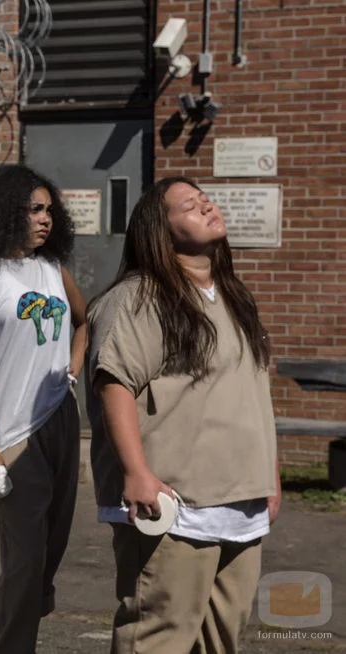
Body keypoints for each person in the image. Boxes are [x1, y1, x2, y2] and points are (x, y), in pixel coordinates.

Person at [86, 177, 280, 653]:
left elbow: (254, 395)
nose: (207, 206)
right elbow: (115, 383)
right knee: (158, 636)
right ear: (160, 229)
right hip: (173, 505)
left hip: (240, 501)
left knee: (221, 639)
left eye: (206, 199)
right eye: (190, 205)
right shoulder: (137, 298)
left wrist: (269, 478)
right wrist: (136, 472)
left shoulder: (234, 298)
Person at [0, 165, 86, 653]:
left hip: (61, 417)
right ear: (5, 212)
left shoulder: (53, 270)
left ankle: (15, 628)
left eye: (49, 210)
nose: (45, 219)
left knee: (49, 555)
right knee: (26, 558)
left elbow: (83, 319)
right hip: (12, 433)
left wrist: (72, 370)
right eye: (34, 210)